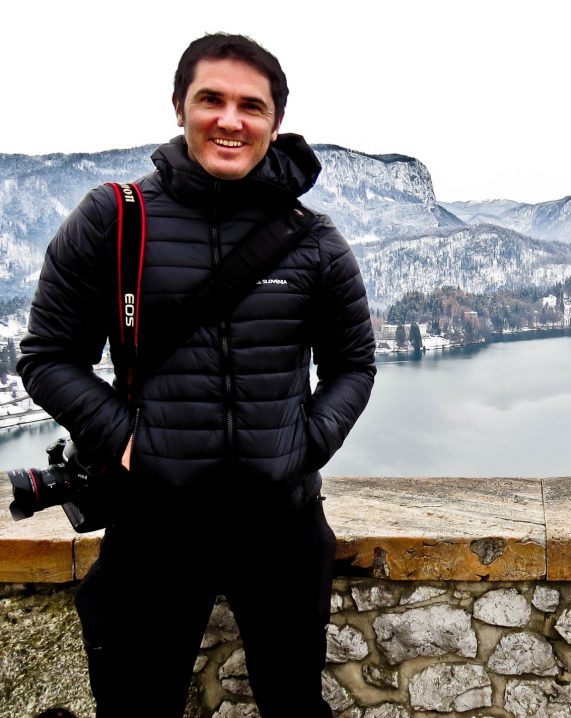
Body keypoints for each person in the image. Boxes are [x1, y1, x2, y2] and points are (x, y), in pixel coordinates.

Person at [18, 34, 375, 717]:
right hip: (155, 520)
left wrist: (305, 445)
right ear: (180, 107)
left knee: (292, 705)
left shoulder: (314, 239)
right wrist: (128, 441)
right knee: (137, 705)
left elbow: (353, 364)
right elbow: (46, 356)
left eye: (251, 105)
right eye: (211, 99)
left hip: (282, 523)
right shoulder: (115, 219)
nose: (230, 120)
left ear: (275, 121)